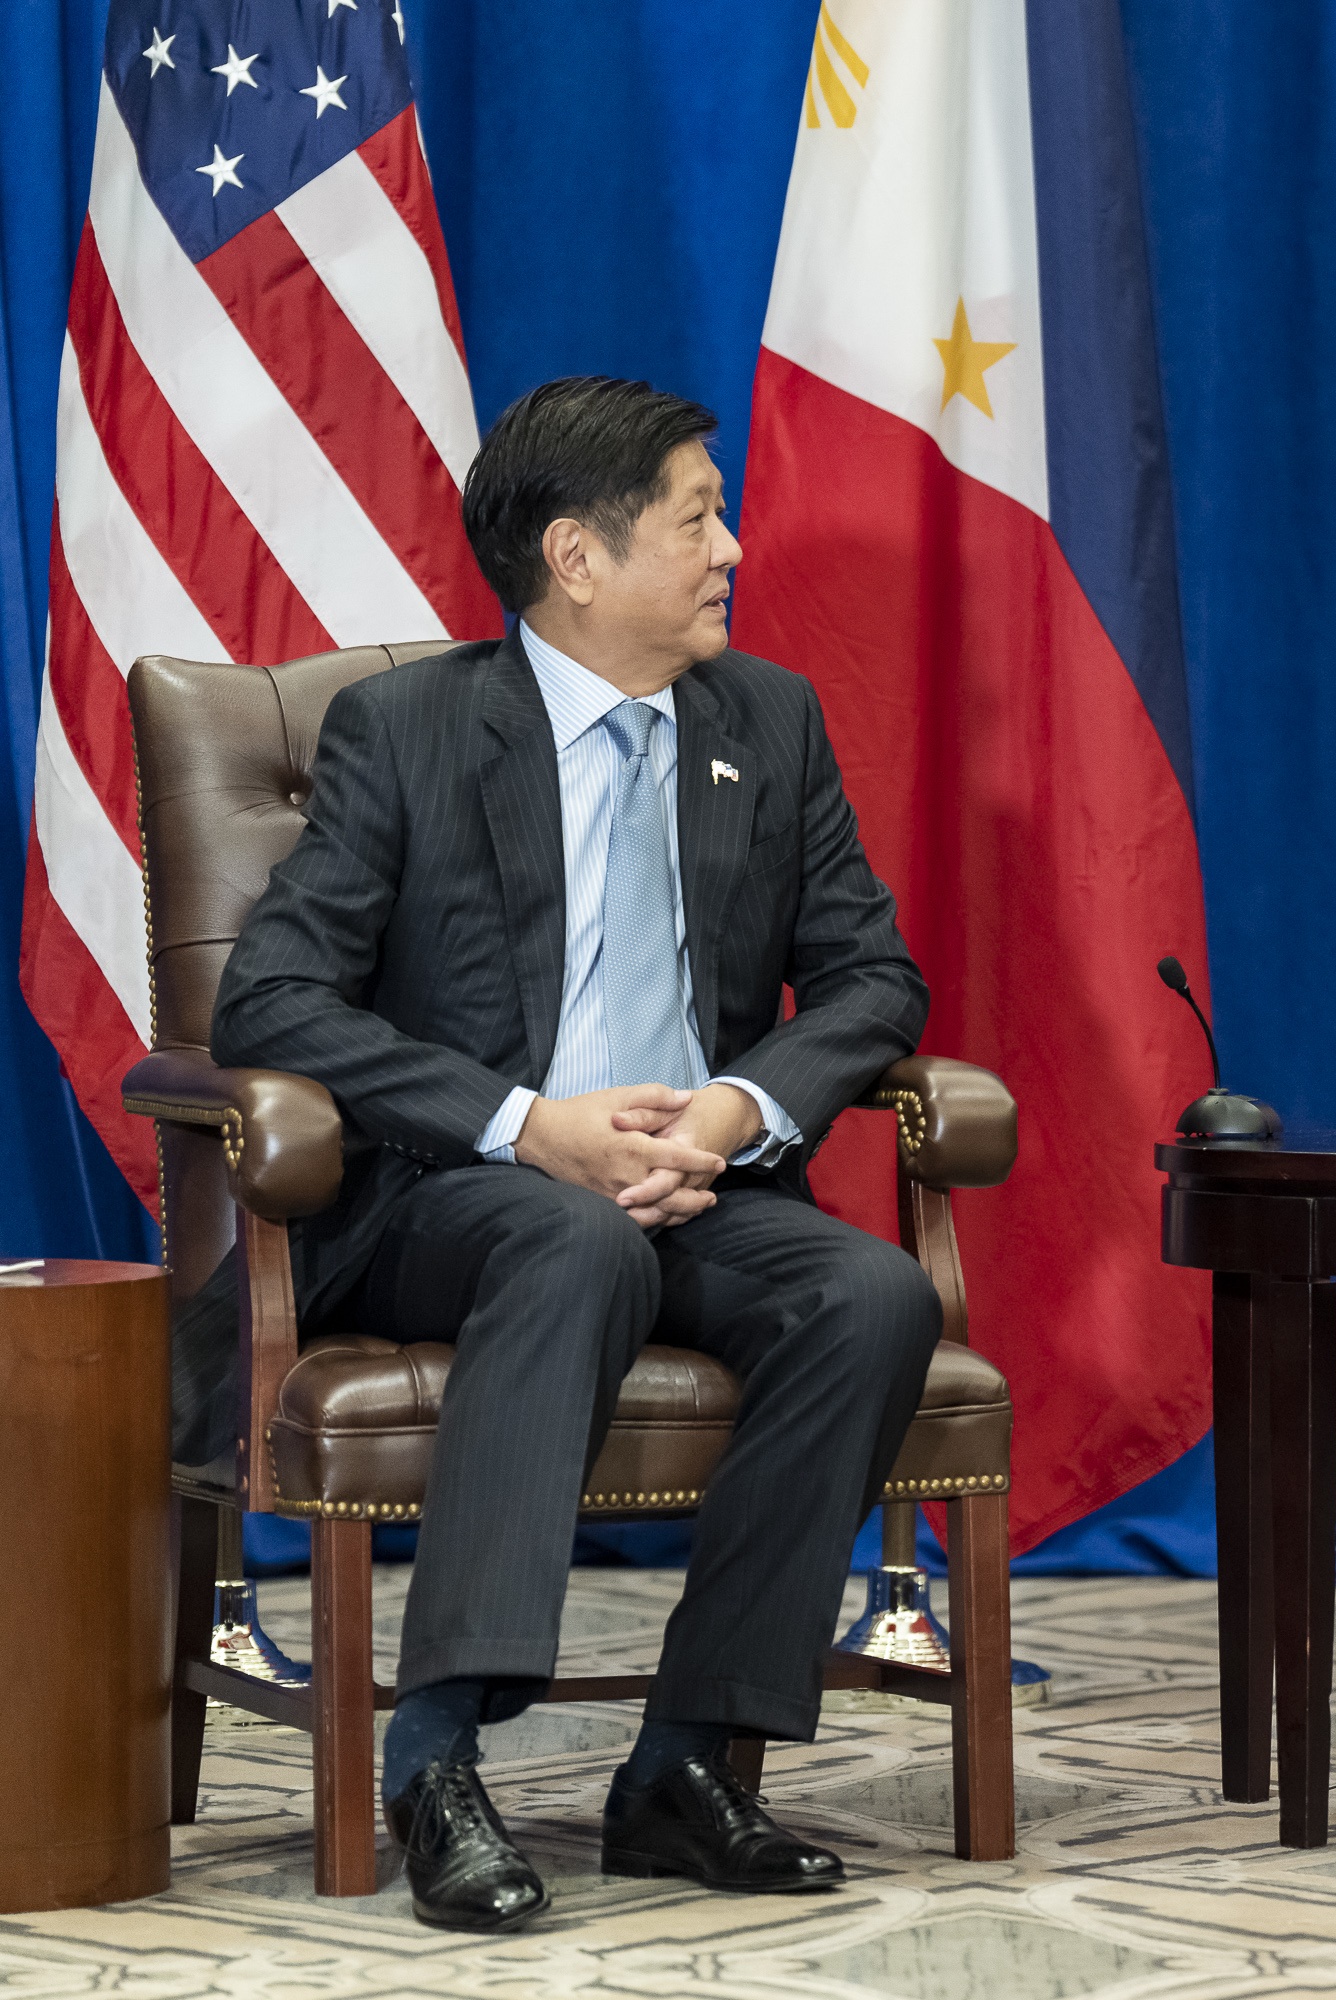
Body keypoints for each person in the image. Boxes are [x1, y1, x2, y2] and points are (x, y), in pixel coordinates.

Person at [202, 376, 941, 1932]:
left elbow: (874, 978)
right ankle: (438, 1755)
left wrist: (739, 1112)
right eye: (698, 517)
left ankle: (690, 1764)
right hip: (453, 1199)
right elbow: (266, 995)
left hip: (701, 1185)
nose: (733, 546)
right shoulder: (405, 730)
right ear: (577, 558)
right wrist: (529, 1127)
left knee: (869, 1294)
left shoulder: (769, 721)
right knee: (573, 1232)